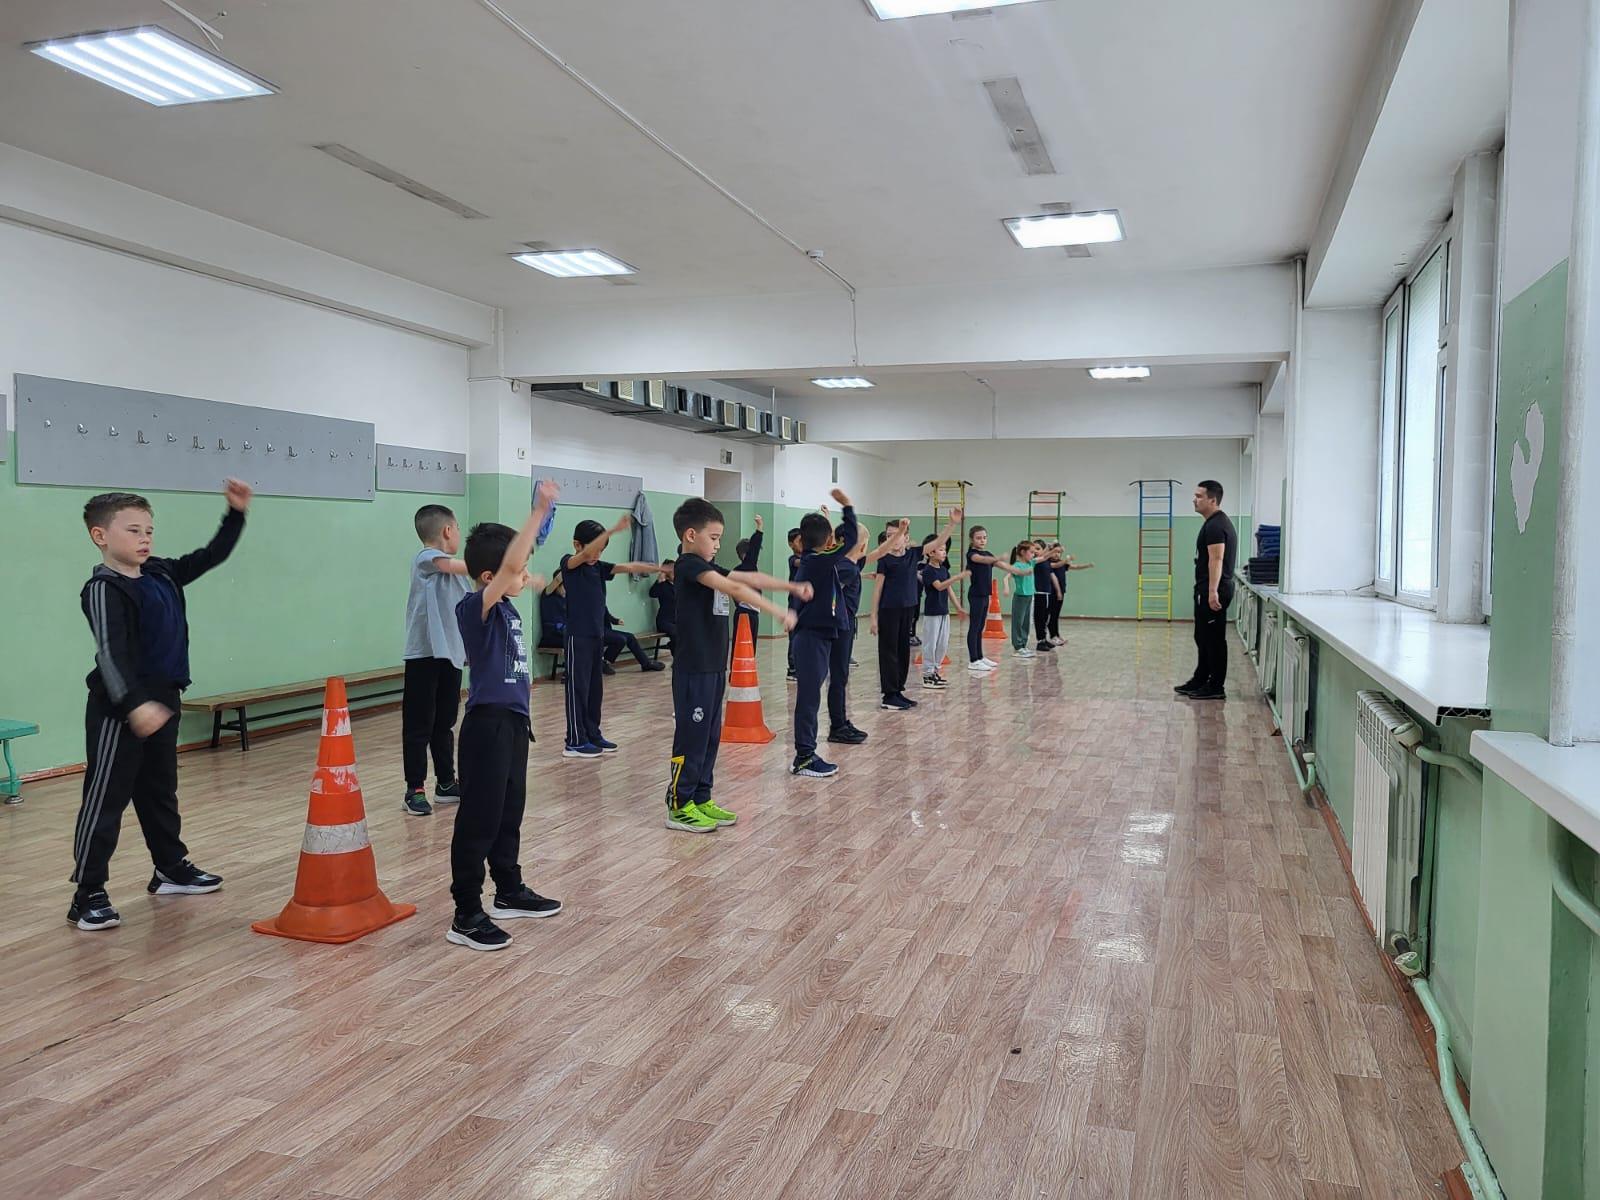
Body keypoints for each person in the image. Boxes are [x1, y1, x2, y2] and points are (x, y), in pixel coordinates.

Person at [69, 479, 251, 932]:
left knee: (159, 791)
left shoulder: (161, 572)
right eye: (133, 530)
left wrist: (235, 514)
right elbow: (111, 654)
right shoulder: (104, 588)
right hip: (120, 710)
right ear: (100, 536)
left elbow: (211, 556)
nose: (144, 538)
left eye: (148, 530)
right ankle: (87, 893)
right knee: (106, 799)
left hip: (165, 701)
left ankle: (170, 868)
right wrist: (134, 705)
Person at [447, 482, 561, 951]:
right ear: (490, 575)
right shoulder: (474, 609)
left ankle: (508, 890)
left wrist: (528, 578)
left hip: (514, 725)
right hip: (486, 727)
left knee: (509, 813)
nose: (525, 574)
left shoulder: (508, 608)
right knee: (480, 819)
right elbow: (511, 567)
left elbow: (513, 570)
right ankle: (466, 913)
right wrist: (538, 512)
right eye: (519, 569)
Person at [665, 499, 806, 832]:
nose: (717, 545)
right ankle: (679, 805)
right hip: (694, 669)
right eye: (713, 538)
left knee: (710, 736)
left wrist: (790, 586)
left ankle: (701, 797)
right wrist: (777, 611)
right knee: (692, 737)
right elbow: (734, 587)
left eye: (719, 538)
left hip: (715, 667)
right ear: (690, 535)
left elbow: (748, 576)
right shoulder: (687, 565)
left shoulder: (710, 567)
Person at [553, 516, 664, 758]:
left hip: (597, 636)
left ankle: (592, 734)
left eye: (601, 550)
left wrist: (657, 568)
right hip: (577, 637)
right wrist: (613, 529)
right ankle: (574, 741)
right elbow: (584, 555)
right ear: (577, 544)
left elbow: (627, 567)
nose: (596, 555)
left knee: (595, 689)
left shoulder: (598, 567)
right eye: (594, 549)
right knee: (578, 688)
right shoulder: (569, 564)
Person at [401, 504, 471, 817]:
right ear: (447, 530)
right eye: (457, 529)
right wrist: (492, 562)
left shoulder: (456, 574)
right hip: (424, 655)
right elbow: (449, 565)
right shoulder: (426, 558)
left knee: (444, 722)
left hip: (449, 655)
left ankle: (445, 782)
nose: (458, 535)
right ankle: (414, 789)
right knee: (419, 724)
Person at [791, 489, 857, 778]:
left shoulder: (815, 561)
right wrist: (848, 507)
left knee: (811, 696)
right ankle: (804, 756)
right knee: (808, 698)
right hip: (811, 637)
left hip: (820, 635)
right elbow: (851, 540)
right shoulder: (817, 561)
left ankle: (806, 753)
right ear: (829, 540)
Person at [871, 511, 960, 711]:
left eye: (897, 534)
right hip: (888, 610)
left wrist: (952, 524)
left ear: (906, 537)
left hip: (908, 609)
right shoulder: (884, 559)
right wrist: (874, 617)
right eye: (888, 535)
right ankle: (889, 695)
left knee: (903, 651)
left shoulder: (913, 554)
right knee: (889, 652)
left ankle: (898, 691)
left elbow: (938, 542)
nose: (892, 538)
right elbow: (877, 589)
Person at [829, 520, 906, 745]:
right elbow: (826, 591)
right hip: (839, 627)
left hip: (846, 625)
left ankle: (841, 721)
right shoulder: (844, 567)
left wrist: (900, 532)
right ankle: (837, 726)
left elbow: (880, 552)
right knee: (838, 676)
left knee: (841, 676)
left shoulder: (852, 562)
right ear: (860, 545)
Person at [1176, 480, 1238, 701]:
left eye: (1199, 496)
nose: (1194, 500)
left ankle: (1215, 686)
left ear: (1213, 500)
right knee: (1202, 637)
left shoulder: (1216, 525)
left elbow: (1217, 559)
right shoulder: (1212, 523)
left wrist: (1212, 592)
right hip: (1207, 588)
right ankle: (1201, 678)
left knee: (1213, 639)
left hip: (1214, 590)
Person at [919, 537, 969, 689]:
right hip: (932, 613)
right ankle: (927, 674)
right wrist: (957, 577)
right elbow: (940, 586)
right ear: (930, 553)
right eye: (941, 550)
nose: (944, 553)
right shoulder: (928, 571)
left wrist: (958, 607)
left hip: (943, 612)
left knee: (942, 644)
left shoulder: (943, 570)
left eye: (945, 550)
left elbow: (949, 590)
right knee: (931, 643)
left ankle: (935, 671)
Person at [963, 526, 1003, 673]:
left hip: (985, 595)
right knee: (974, 627)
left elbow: (998, 564)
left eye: (984, 538)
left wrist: (1017, 570)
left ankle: (980, 657)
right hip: (976, 595)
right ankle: (973, 660)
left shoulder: (988, 554)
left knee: (980, 627)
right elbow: (982, 559)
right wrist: (998, 558)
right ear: (972, 539)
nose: (982, 540)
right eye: (978, 538)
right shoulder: (972, 554)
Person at [1045, 542, 1095, 645]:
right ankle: (1052, 636)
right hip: (1051, 593)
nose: (1057, 554)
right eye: (1055, 552)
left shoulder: (1062, 563)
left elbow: (1075, 566)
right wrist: (1067, 559)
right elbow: (1057, 565)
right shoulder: (1047, 563)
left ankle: (1057, 635)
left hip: (1061, 592)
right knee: (1052, 615)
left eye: (1059, 552)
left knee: (1056, 615)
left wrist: (1087, 565)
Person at [998, 542, 1037, 658]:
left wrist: (1051, 550)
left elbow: (1043, 557)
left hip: (1029, 596)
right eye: (1031, 552)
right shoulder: (1017, 565)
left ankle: (1023, 645)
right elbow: (1006, 578)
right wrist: (1006, 588)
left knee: (1026, 622)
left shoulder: (1030, 563)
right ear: (1023, 552)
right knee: (1018, 622)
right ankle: (1018, 647)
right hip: (1020, 597)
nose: (1033, 554)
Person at [603, 607, 667, 675]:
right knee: (621, 639)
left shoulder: (600, 600)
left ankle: (646, 664)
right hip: (597, 632)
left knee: (630, 637)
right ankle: (604, 663)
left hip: (605, 630)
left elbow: (604, 613)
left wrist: (615, 621)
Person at [1031, 539, 1058, 653]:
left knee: (1045, 617)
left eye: (1038, 549)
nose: (1035, 551)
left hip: (1046, 592)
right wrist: (1050, 548)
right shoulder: (1035, 561)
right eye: (1034, 549)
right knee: (1039, 617)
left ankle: (1044, 638)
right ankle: (1040, 641)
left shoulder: (1046, 561)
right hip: (1038, 592)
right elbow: (1043, 556)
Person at [785, 526, 803, 682]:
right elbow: (800, 563)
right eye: (799, 540)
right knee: (794, 635)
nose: (802, 543)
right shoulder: (793, 560)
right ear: (791, 544)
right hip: (794, 603)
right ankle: (792, 668)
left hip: (805, 604)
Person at [649, 560, 676, 645]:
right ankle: (675, 649)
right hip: (665, 621)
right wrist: (659, 580)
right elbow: (652, 594)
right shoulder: (662, 585)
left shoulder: (680, 585)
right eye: (671, 570)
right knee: (677, 632)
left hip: (679, 620)